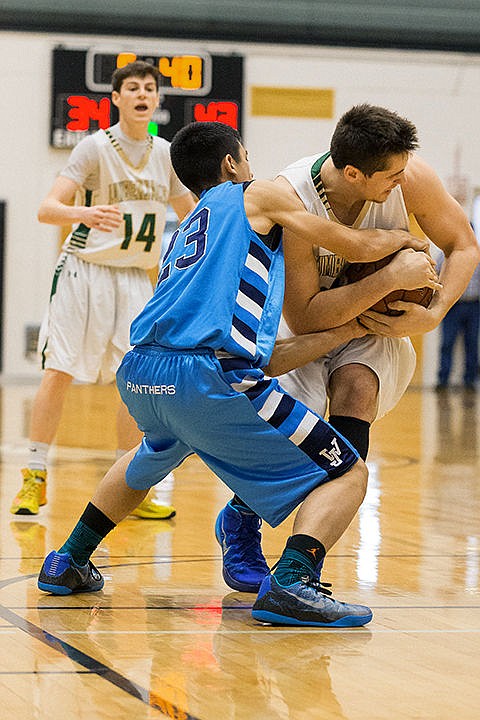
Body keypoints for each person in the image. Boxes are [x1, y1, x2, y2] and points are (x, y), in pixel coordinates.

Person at [36, 121, 438, 628]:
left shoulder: (184, 234)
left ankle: (68, 560)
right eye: (246, 155)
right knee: (349, 468)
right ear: (232, 163)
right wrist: (406, 250)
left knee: (153, 453)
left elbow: (260, 362)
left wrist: (349, 328)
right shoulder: (253, 194)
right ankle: (293, 580)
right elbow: (350, 244)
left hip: (143, 373)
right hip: (208, 377)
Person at [215, 103, 480, 594]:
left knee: (355, 399)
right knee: (291, 439)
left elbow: (464, 244)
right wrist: (387, 278)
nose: (401, 183)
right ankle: (239, 519)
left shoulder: (410, 176)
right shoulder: (292, 195)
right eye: (391, 177)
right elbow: (307, 315)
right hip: (308, 333)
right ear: (353, 173)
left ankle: (300, 570)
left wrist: (436, 310)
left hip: (373, 329)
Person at [10, 61, 195, 518]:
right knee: (59, 370)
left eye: (149, 88)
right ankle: (35, 476)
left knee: (135, 379)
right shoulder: (93, 149)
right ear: (116, 98)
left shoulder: (167, 154)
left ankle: (130, 485)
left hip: (135, 277)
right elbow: (47, 209)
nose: (141, 94)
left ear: (157, 100)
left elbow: (193, 214)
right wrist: (84, 215)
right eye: (132, 87)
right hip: (83, 272)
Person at [436, 242, 480, 391]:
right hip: (452, 306)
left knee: (472, 344)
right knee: (447, 343)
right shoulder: (444, 256)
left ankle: (470, 381)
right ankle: (443, 379)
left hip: (474, 306)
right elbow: (435, 275)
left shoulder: (478, 257)